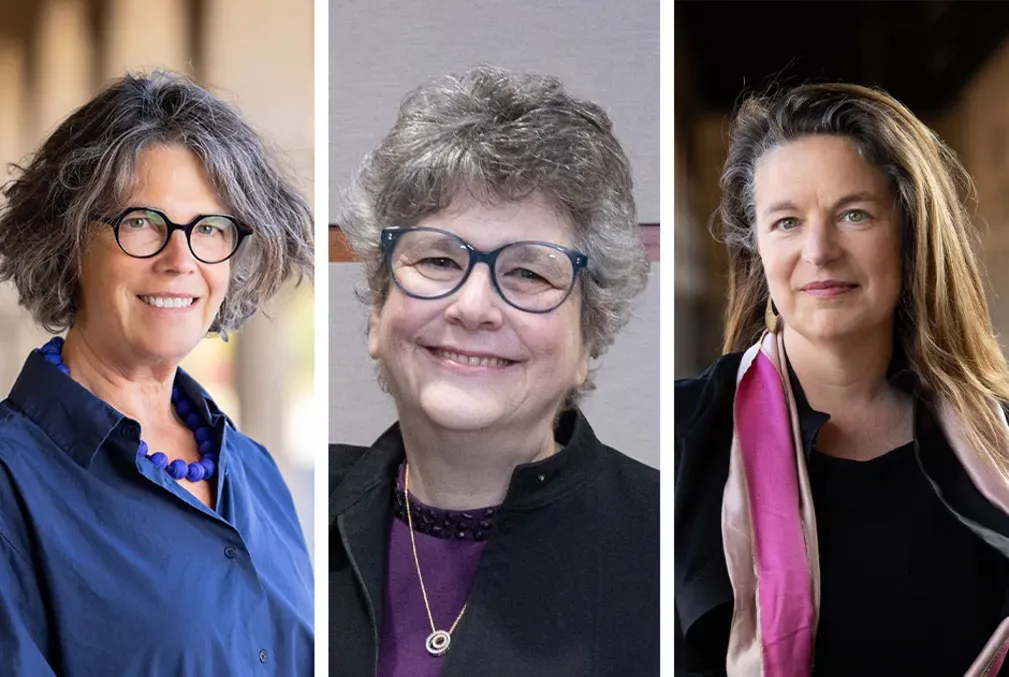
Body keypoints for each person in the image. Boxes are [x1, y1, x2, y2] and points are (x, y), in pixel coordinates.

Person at [329, 66, 659, 676]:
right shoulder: (281, 517)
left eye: (530, 273)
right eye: (435, 259)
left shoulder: (670, 545)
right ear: (378, 309)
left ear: (591, 332)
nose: (473, 307)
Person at [675, 81, 1009, 676]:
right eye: (786, 222)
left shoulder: (1000, 444)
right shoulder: (678, 438)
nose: (819, 250)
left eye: (854, 214)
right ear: (756, 248)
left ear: (910, 236)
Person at [0, 71, 314, 675]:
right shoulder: (11, 480)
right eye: (142, 222)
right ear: (70, 240)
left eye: (210, 229)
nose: (181, 260)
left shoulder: (257, 472)